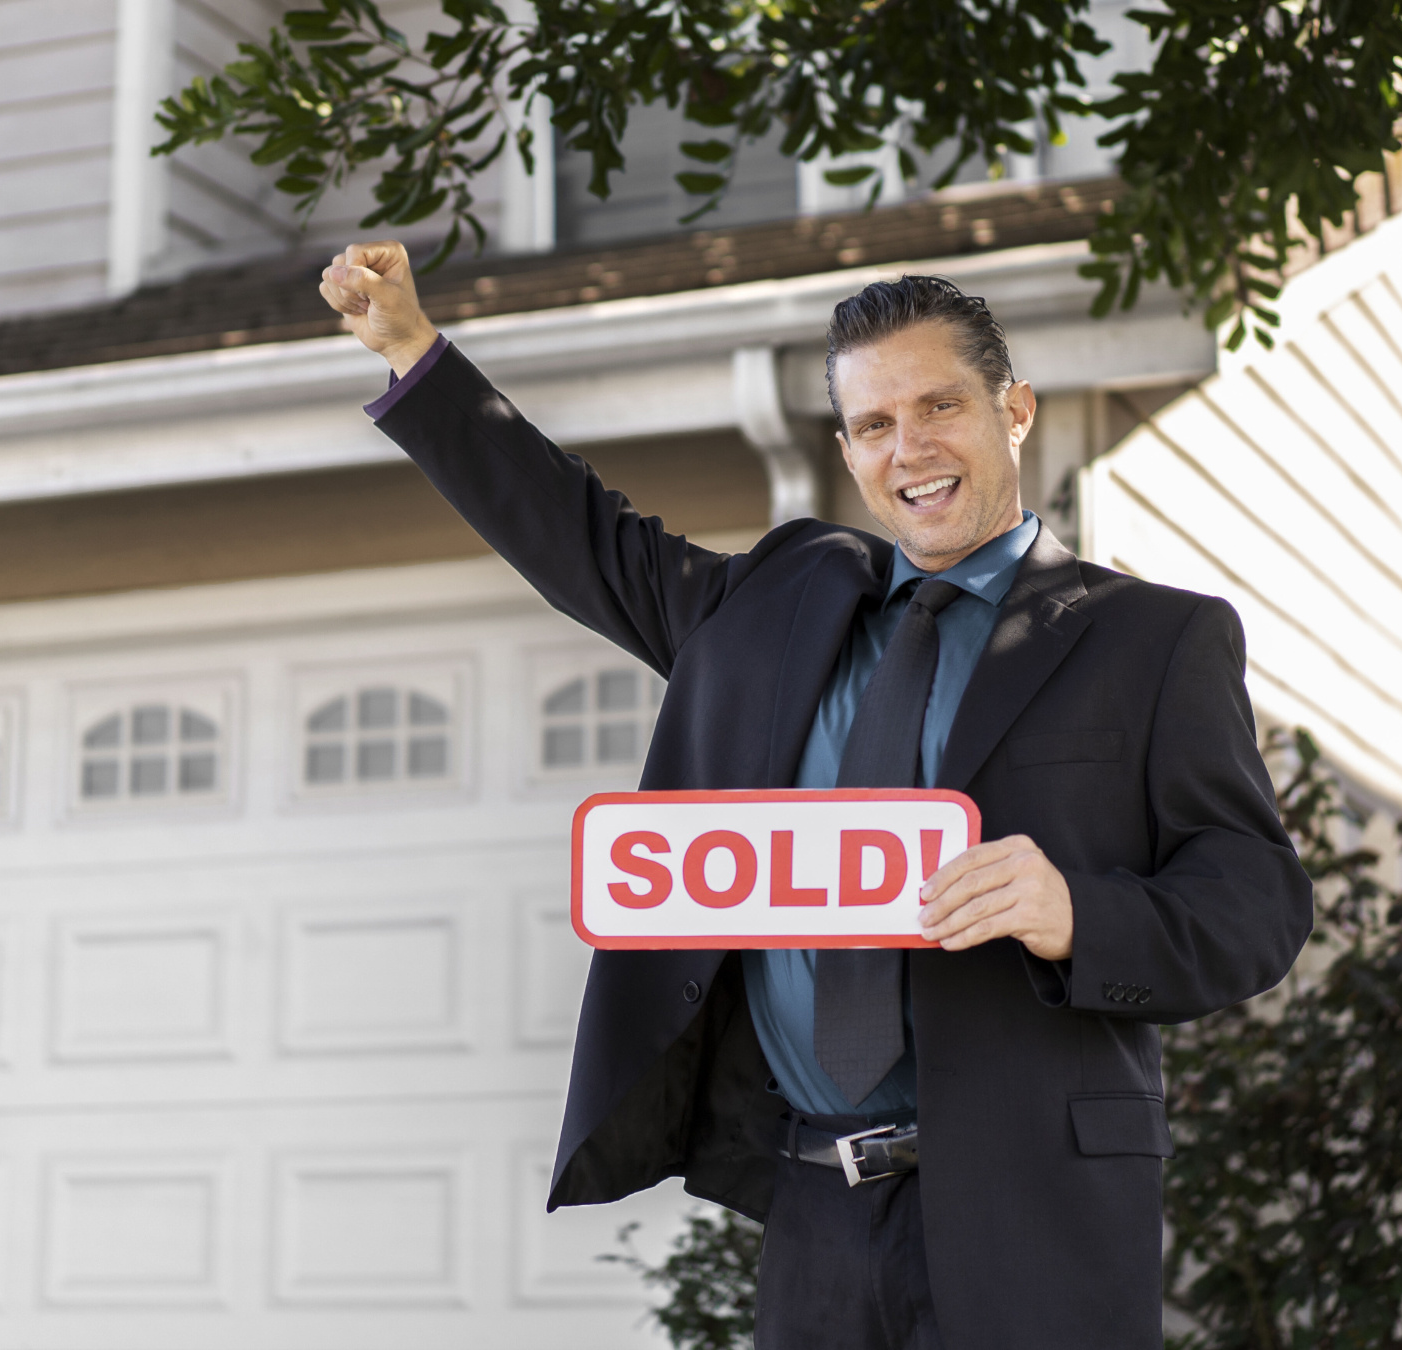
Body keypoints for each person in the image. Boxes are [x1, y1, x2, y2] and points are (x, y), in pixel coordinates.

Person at [320, 240, 1312, 1350]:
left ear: (1015, 410)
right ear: (848, 452)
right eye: (877, 425)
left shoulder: (1152, 640)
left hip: (1033, 1214)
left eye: (940, 407)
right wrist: (413, 350)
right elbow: (583, 540)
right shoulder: (777, 603)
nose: (912, 449)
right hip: (813, 1209)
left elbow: (1256, 904)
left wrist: (1076, 912)